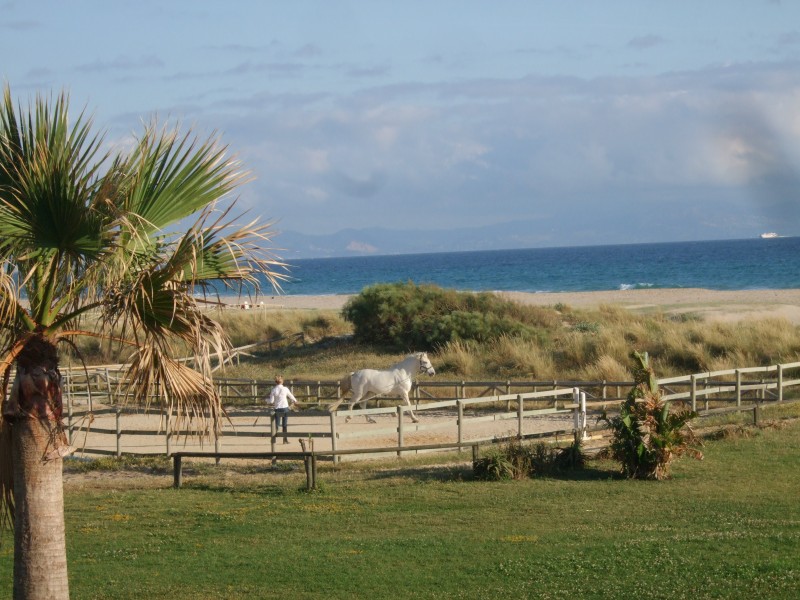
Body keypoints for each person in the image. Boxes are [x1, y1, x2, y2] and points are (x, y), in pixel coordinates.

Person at [268, 375, 297, 444]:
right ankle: (285, 439)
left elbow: (271, 401)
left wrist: (266, 400)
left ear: (276, 382)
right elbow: (291, 396)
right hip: (285, 408)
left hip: (277, 408)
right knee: (284, 425)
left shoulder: (273, 390)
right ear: (282, 381)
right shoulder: (285, 389)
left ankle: (273, 439)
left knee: (276, 425)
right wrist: (295, 401)